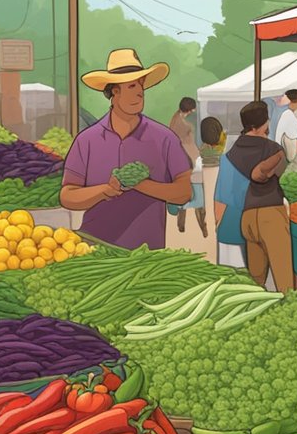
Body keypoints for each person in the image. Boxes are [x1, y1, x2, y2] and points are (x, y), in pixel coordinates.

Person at [60, 48, 192, 250]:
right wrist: (106, 190)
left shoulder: (164, 138)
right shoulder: (86, 140)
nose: (139, 92)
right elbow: (67, 196)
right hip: (93, 250)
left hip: (147, 252)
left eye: (141, 86)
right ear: (114, 91)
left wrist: (139, 184)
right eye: (131, 86)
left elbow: (184, 192)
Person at [226, 101, 291, 292]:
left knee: (256, 280)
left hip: (247, 217)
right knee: (283, 275)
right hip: (270, 215)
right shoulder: (272, 148)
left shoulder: (234, 151)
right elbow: (284, 177)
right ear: (260, 124)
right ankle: (289, 311)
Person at [207, 117, 246, 269]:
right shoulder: (266, 157)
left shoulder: (227, 161)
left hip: (231, 225)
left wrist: (218, 223)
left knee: (231, 274)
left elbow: (221, 199)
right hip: (252, 227)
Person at [168, 96, 207, 237]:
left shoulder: (175, 118)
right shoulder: (185, 125)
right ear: (189, 110)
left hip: (183, 161)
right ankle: (203, 227)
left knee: (185, 195)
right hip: (191, 160)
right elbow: (189, 144)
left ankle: (181, 226)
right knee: (198, 195)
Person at [274, 89, 297, 168]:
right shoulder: (287, 114)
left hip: (293, 151)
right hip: (290, 151)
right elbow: (278, 135)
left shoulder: (291, 114)